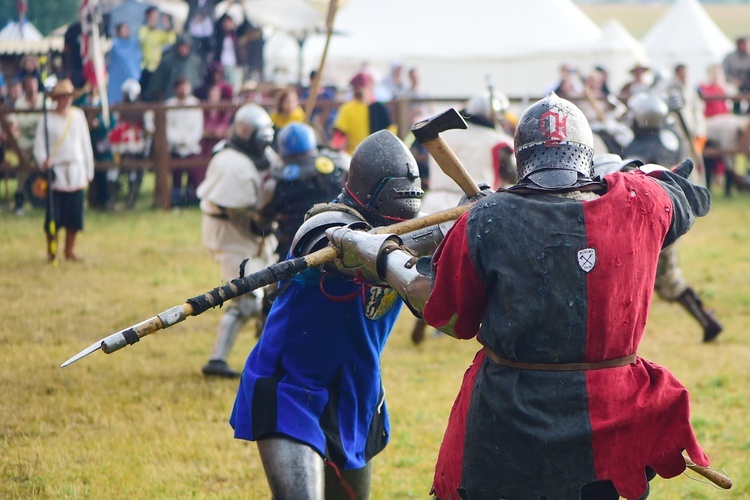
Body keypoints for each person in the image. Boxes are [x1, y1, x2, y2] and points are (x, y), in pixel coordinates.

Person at [327, 92, 713, 499]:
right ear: (585, 154)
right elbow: (680, 193)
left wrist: (388, 256)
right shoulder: (642, 201)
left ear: (523, 158)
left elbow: (450, 316)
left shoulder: (489, 219)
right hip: (612, 411)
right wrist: (636, 174)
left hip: (510, 416)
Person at [229, 130, 427, 498]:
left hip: (359, 393)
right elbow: (351, 250)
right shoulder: (325, 225)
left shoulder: (416, 232)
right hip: (292, 386)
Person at [624, 93, 723, 343]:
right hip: (672, 212)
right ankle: (707, 319)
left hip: (649, 219)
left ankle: (707, 321)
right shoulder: (671, 139)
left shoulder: (637, 149)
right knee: (661, 279)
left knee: (666, 282)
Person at [196, 103, 281, 378]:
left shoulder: (263, 153)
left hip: (256, 236)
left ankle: (267, 352)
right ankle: (217, 360)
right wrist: (259, 223)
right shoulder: (231, 162)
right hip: (232, 234)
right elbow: (238, 212)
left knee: (269, 292)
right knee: (245, 298)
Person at [257, 122, 349, 261]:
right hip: (339, 246)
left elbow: (261, 221)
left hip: (295, 255)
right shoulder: (339, 165)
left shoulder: (276, 183)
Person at [420, 92, 515, 215]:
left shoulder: (443, 134)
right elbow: (514, 177)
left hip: (433, 205)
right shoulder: (499, 142)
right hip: (475, 209)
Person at [33, 79, 94, 262]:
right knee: (54, 216)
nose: (66, 100)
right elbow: (39, 146)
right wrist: (44, 161)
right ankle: (52, 250)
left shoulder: (78, 116)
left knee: (74, 216)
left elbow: (85, 144)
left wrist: (88, 169)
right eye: (62, 97)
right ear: (56, 98)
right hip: (57, 170)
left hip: (75, 170)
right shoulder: (46, 119)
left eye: (68, 96)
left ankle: (70, 250)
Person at [331, 72, 397, 155]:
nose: (360, 90)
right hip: (353, 156)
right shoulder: (347, 108)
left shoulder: (377, 107)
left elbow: (390, 130)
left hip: (375, 155)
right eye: (357, 87)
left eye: (362, 87)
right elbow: (340, 133)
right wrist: (338, 150)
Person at [165, 77, 204, 206]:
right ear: (175, 89)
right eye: (180, 86)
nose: (183, 89)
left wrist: (188, 140)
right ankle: (176, 201)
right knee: (176, 176)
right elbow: (167, 127)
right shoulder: (169, 105)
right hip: (175, 148)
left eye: (185, 86)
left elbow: (198, 127)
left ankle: (192, 200)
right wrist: (178, 140)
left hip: (192, 147)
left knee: (194, 175)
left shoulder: (195, 103)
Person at [12, 75, 46, 216]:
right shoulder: (20, 103)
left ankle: (46, 200)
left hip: (41, 141)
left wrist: (32, 122)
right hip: (25, 142)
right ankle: (19, 204)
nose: (32, 88)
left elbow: (45, 120)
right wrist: (36, 121)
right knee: (23, 173)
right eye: (29, 85)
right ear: (25, 87)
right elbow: (22, 123)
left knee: (45, 169)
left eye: (34, 84)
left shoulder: (43, 100)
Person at [147, 34, 206, 102]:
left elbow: (199, 80)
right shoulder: (167, 61)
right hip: (170, 99)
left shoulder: (195, 61)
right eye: (182, 47)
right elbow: (157, 83)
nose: (184, 50)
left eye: (186, 47)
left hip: (190, 100)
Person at [138, 6, 176, 97]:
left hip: (157, 67)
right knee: (145, 92)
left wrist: (167, 26)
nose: (155, 20)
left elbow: (171, 40)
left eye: (156, 17)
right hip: (145, 67)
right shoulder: (143, 30)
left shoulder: (159, 32)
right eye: (152, 17)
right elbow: (143, 40)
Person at [107, 22, 142, 106]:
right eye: (122, 30)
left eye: (125, 30)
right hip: (117, 77)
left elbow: (138, 57)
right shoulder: (113, 43)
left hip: (131, 75)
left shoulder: (134, 43)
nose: (124, 32)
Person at [722, 36, 750, 114]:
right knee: (734, 96)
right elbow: (723, 72)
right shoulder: (730, 58)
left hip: (748, 86)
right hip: (733, 86)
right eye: (743, 44)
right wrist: (732, 80)